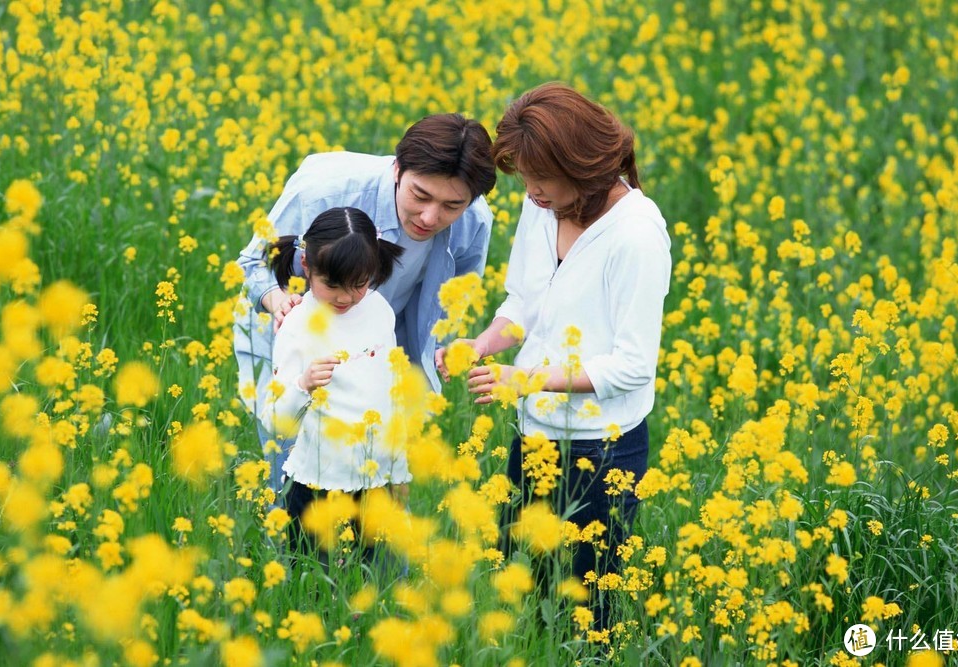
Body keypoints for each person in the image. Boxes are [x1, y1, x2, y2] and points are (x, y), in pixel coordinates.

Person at [438, 82, 672, 628]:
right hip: (534, 435)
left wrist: (525, 380)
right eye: (525, 179)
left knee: (590, 613)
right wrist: (484, 343)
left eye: (541, 180)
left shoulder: (635, 236)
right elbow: (525, 300)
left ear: (583, 165)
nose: (532, 193)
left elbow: (633, 366)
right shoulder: (543, 207)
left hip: (602, 450)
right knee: (523, 596)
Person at [235, 114, 497, 493]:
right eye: (420, 196)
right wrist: (276, 301)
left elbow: (454, 294)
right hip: (295, 341)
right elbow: (252, 262)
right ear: (397, 169)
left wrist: (439, 347)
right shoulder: (325, 193)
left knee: (376, 484)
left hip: (376, 347)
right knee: (293, 479)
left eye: (451, 206)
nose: (430, 217)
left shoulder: (473, 220)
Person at [259, 206, 406, 561]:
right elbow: (274, 419)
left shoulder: (379, 310)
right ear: (307, 267)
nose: (346, 297)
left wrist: (398, 469)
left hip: (375, 478)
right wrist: (303, 384)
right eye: (333, 285)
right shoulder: (297, 325)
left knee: (371, 580)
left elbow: (392, 396)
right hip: (319, 482)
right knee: (312, 579)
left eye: (359, 283)